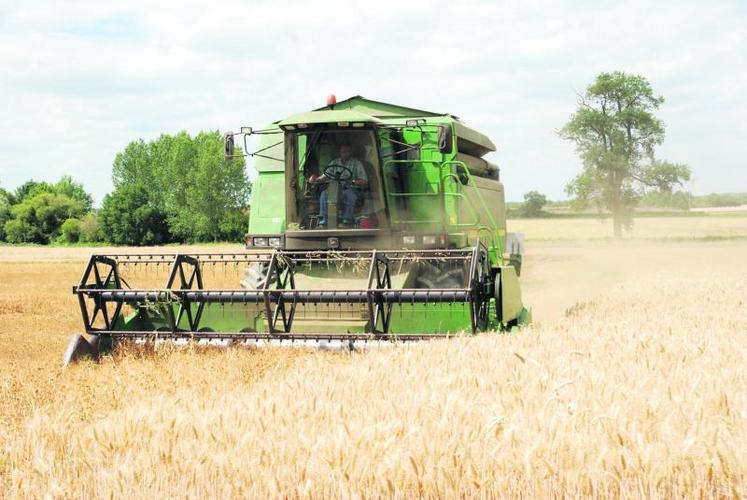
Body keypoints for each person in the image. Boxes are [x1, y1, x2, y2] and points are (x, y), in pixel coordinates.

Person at [310, 143, 368, 228]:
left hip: (351, 188)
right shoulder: (334, 162)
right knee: (324, 194)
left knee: (350, 195)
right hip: (334, 188)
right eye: (343, 151)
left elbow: (364, 181)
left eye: (348, 151)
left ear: (351, 152)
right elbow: (326, 176)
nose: (346, 153)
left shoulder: (357, 163)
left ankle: (346, 221)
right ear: (339, 152)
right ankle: (323, 222)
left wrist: (353, 181)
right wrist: (316, 179)